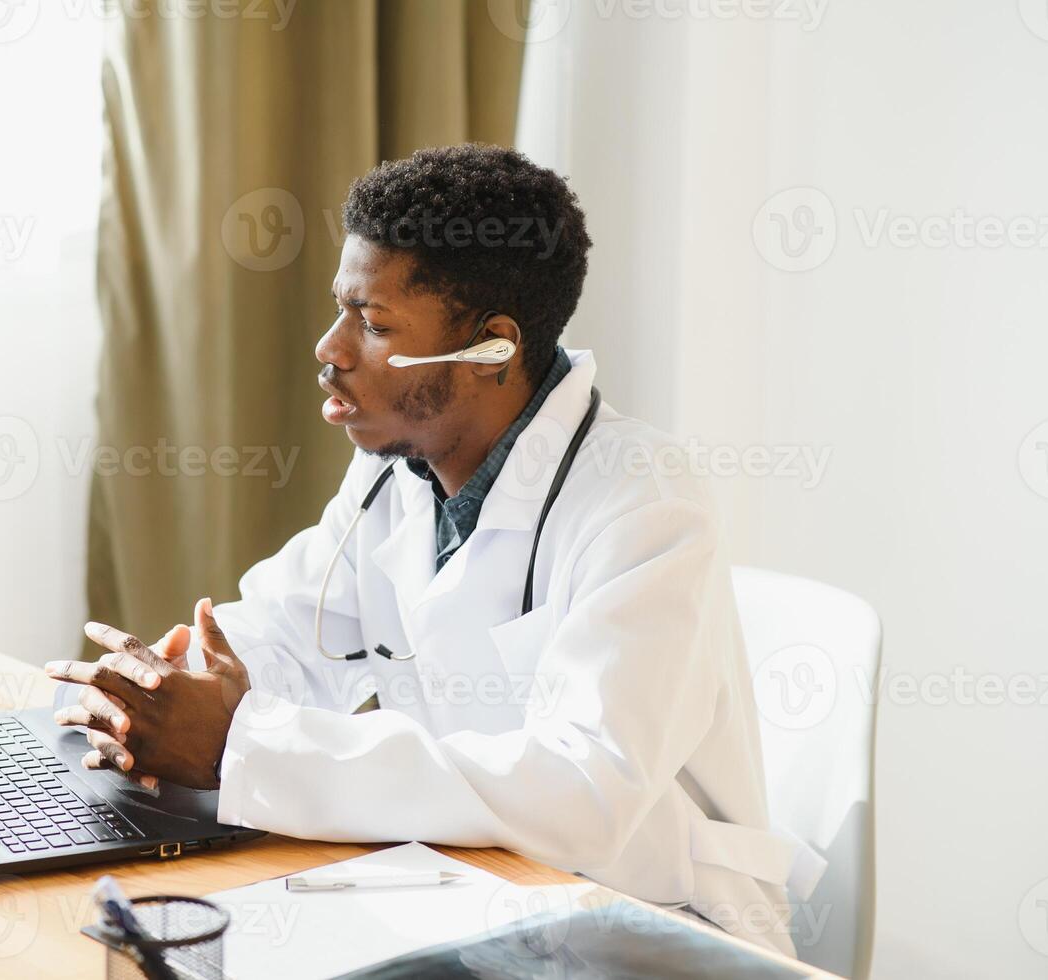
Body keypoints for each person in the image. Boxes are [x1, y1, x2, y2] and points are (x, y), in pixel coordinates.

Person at [45, 144, 819, 956]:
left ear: (492, 348)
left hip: (654, 930)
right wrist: (169, 690)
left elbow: (582, 791)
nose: (330, 348)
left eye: (374, 325)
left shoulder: (644, 500)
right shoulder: (400, 472)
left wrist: (245, 741)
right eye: (342, 310)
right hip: (475, 898)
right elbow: (287, 631)